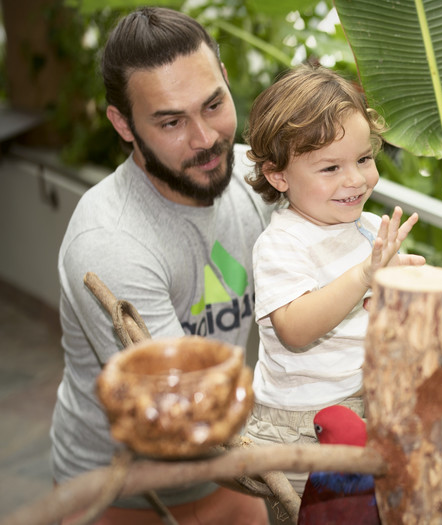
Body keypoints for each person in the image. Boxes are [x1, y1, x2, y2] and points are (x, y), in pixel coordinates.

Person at [50, 7, 272, 524]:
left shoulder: (253, 181)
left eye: (213, 104)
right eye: (172, 121)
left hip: (229, 472)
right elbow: (183, 419)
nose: (205, 138)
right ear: (123, 125)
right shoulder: (110, 242)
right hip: (120, 493)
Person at [242, 64, 425, 514]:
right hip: (302, 426)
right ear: (279, 175)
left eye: (364, 159)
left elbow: (365, 308)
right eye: (331, 167)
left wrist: (395, 284)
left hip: (363, 406)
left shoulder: (364, 227)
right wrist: (364, 276)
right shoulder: (281, 243)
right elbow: (295, 328)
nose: (356, 180)